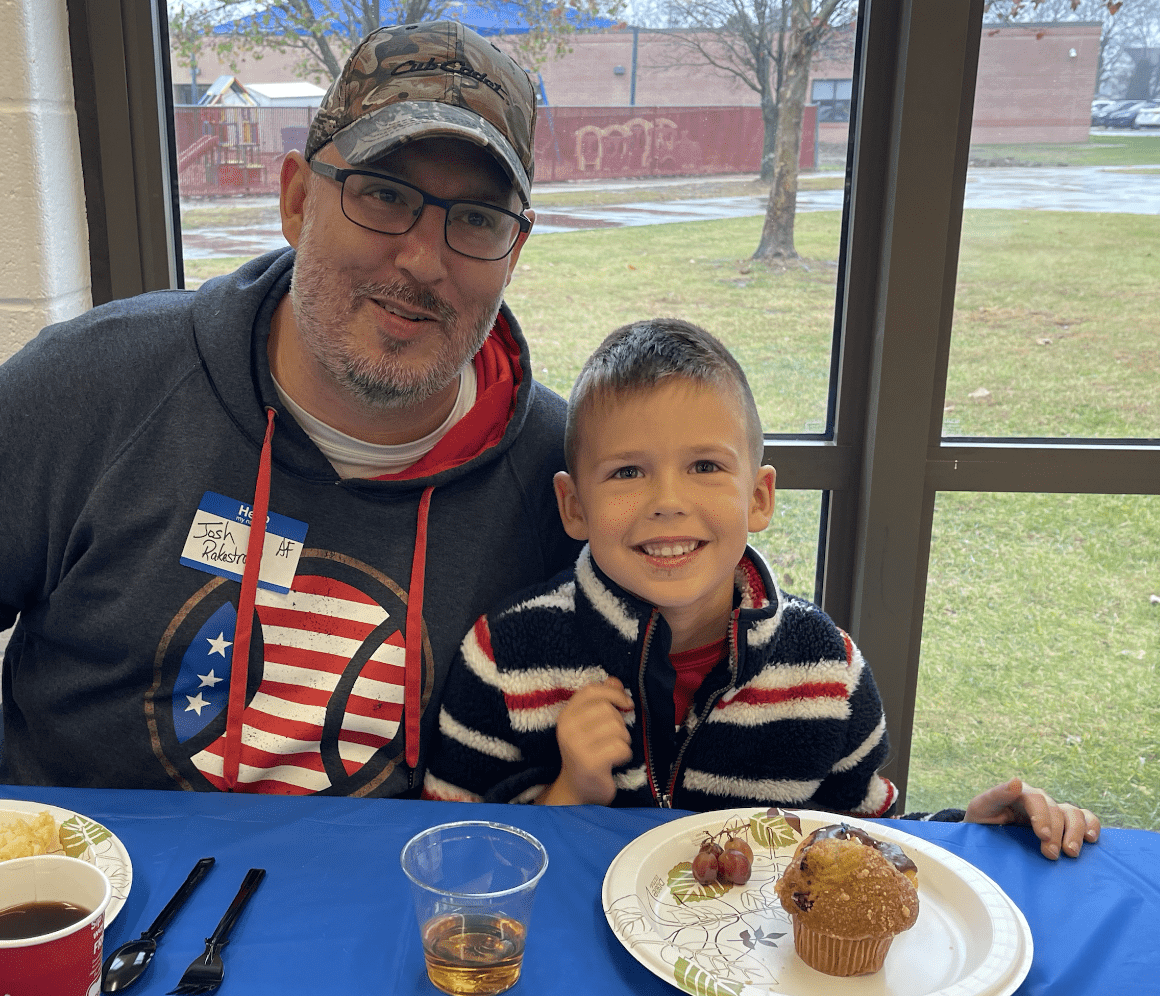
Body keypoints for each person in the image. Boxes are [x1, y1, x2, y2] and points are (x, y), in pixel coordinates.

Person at [0, 21, 579, 794]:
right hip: (71, 892)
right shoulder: (95, 385)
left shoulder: (565, 478)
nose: (422, 259)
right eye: (383, 195)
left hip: (375, 904)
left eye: (477, 219)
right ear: (295, 199)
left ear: (514, 252)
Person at [423, 318, 1100, 858]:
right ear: (574, 508)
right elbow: (447, 856)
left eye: (705, 466)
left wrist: (969, 831)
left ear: (759, 496)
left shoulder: (826, 673)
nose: (668, 502)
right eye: (628, 472)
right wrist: (572, 792)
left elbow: (867, 845)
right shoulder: (505, 657)